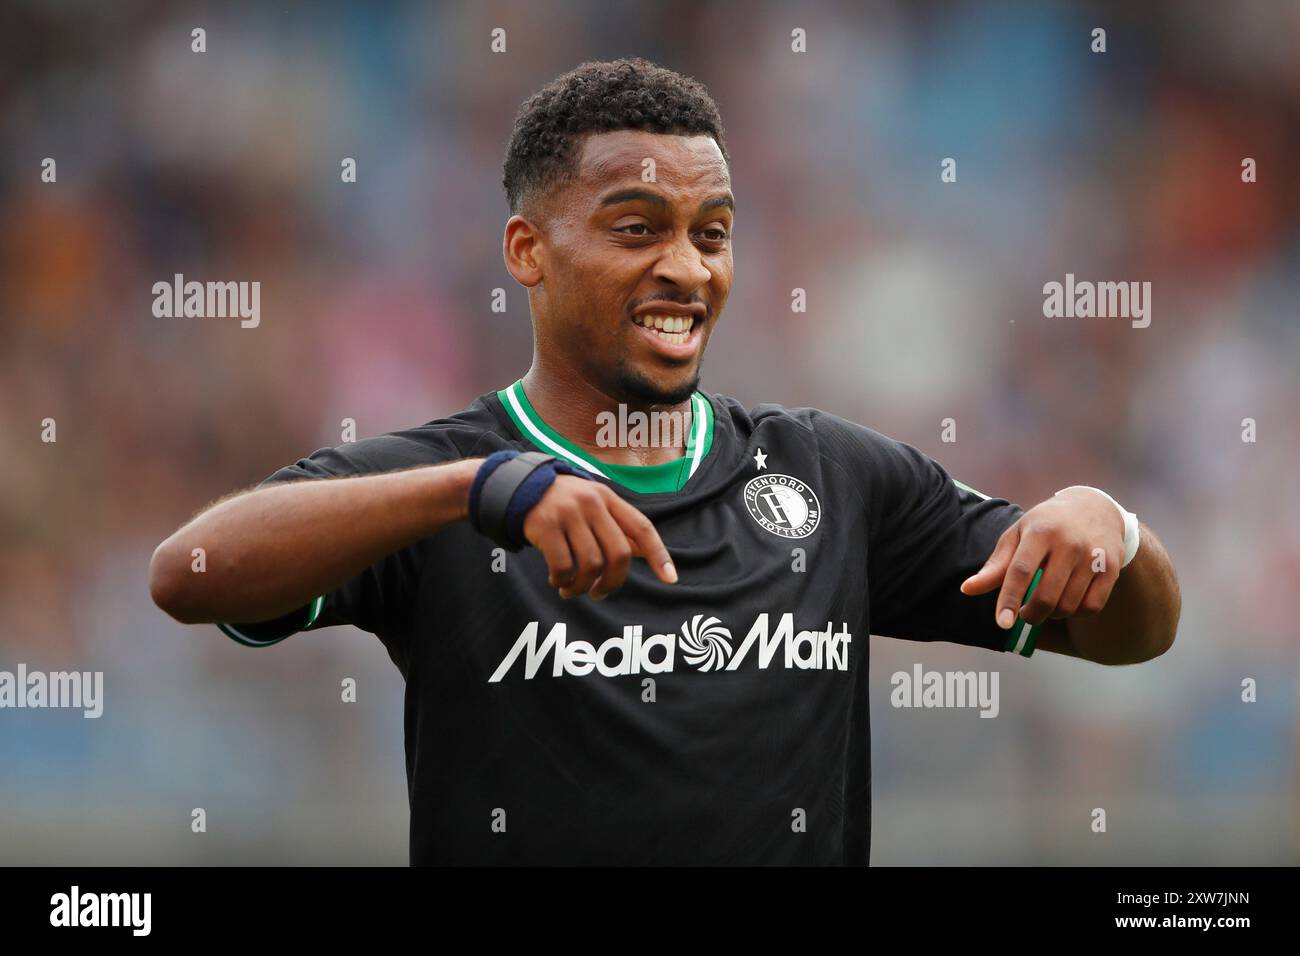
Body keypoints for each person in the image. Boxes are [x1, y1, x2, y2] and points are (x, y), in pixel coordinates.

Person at [149, 58, 1181, 865]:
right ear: (527, 250)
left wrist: (1110, 526)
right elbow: (189, 574)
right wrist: (476, 488)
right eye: (637, 228)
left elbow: (1130, 634)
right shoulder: (445, 485)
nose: (685, 268)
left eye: (712, 232)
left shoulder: (830, 476)